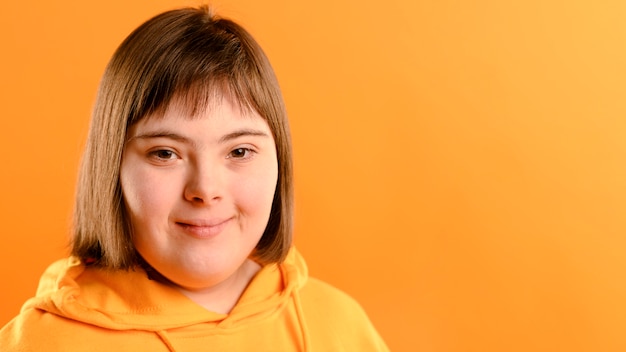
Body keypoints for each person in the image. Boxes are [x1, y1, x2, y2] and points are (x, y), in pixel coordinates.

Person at [0, 5, 388, 351]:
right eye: (165, 153)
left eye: (239, 152)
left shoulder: (339, 325)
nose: (205, 189)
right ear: (111, 169)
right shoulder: (44, 343)